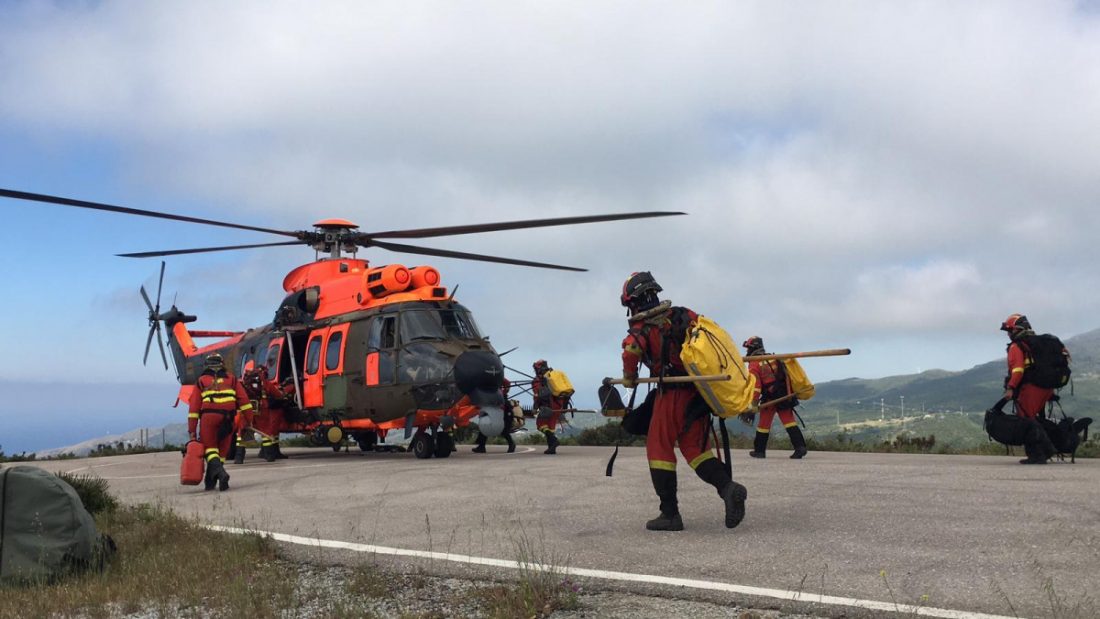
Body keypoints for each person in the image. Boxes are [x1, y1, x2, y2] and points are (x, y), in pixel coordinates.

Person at [620, 271, 747, 532]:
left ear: (634, 301)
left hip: (672, 395)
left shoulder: (643, 329)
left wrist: (629, 379)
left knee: (658, 450)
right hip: (698, 395)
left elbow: (631, 351)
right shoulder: (684, 315)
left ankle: (670, 514)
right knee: (697, 451)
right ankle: (728, 488)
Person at [188, 353, 253, 491]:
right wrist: (249, 421)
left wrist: (192, 430)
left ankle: (221, 474)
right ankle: (211, 482)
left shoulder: (201, 381)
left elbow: (193, 409)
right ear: (222, 364)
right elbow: (245, 402)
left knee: (209, 448)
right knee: (222, 450)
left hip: (209, 419)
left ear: (207, 365)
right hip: (229, 419)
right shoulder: (233, 380)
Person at [1001, 314, 1058, 464]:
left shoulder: (1016, 346)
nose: (1008, 334)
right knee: (1034, 420)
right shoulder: (1039, 343)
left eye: (1009, 330)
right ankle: (1047, 449)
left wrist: (1011, 387)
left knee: (1026, 420)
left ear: (1017, 330)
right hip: (1047, 388)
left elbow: (1018, 370)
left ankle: (1039, 454)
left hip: (1031, 387)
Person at [743, 336, 808, 459]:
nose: (746, 352)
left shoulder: (754, 364)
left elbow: (756, 387)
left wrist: (753, 404)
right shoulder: (772, 357)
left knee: (763, 424)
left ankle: (760, 451)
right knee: (789, 422)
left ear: (752, 349)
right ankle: (800, 447)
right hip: (784, 395)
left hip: (770, 398)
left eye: (748, 349)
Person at [241, 365, 295, 463]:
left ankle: (239, 458)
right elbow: (277, 394)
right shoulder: (265, 383)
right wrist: (285, 392)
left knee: (241, 433)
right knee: (266, 432)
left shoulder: (245, 384)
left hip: (246, 410)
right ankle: (269, 456)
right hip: (262, 409)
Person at [473, 377, 517, 453]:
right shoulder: (483, 378)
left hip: (500, 405)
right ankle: (481, 446)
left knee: (503, 429)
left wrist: (503, 393)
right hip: (491, 403)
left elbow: (507, 383)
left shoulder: (495, 376)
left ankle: (511, 444)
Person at [532, 360, 565, 455]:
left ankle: (554, 441)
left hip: (548, 406)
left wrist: (535, 407)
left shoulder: (538, 380)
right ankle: (551, 448)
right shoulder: (553, 375)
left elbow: (537, 395)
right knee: (550, 427)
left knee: (540, 424)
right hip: (559, 405)